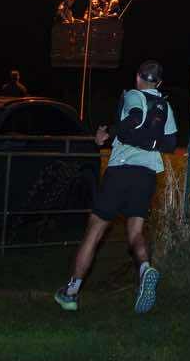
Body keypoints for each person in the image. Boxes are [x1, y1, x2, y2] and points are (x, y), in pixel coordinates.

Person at [54, 60, 177, 315]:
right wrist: (149, 141)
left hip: (121, 171)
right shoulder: (165, 105)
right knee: (135, 233)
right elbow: (170, 143)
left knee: (94, 231)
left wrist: (107, 133)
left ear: (138, 77)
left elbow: (132, 121)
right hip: (146, 175)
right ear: (159, 83)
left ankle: (71, 292)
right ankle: (145, 269)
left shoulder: (133, 95)